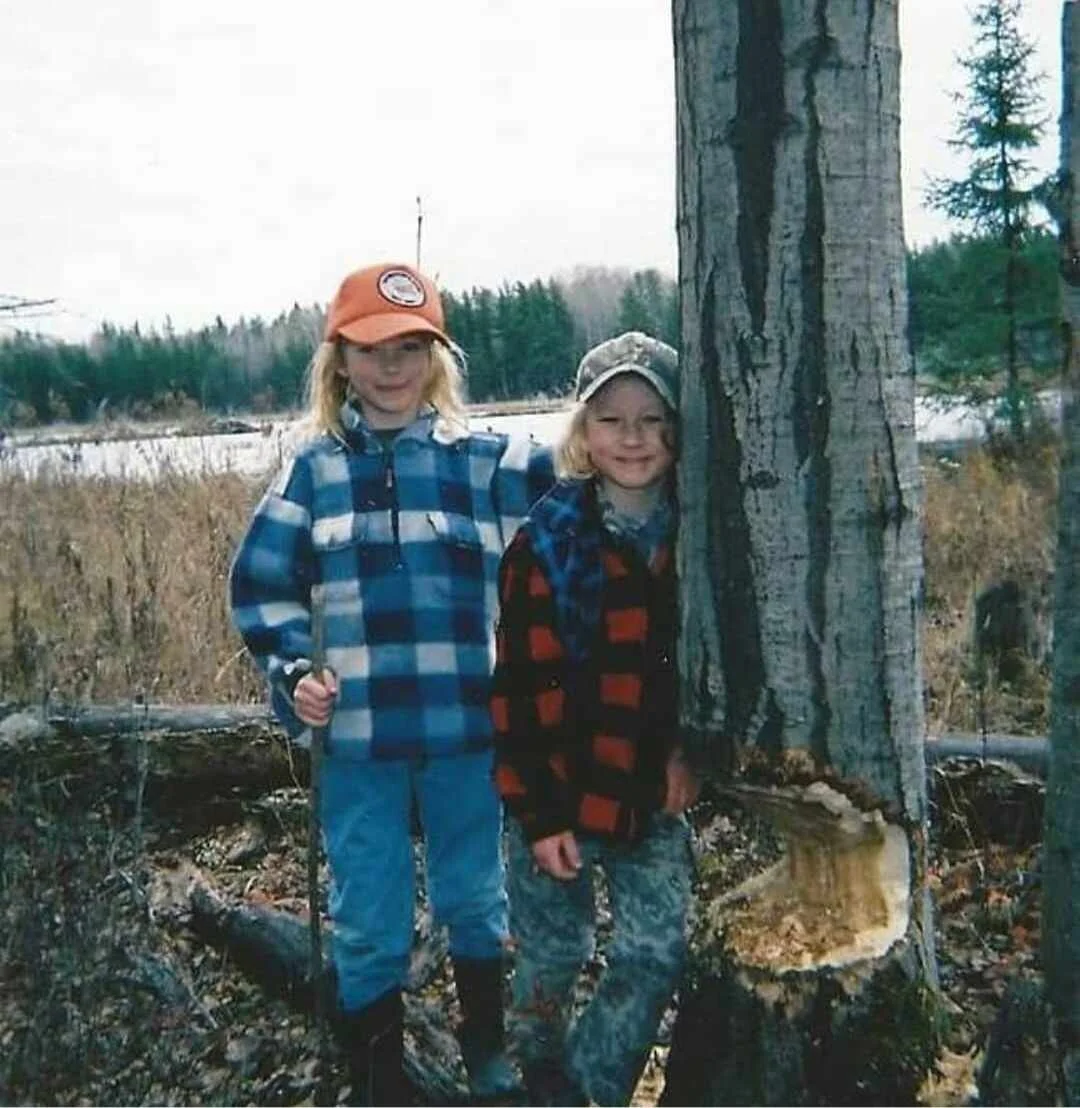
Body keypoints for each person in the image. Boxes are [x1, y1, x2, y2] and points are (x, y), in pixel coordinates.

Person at [229, 262, 554, 1105]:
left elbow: (591, 469)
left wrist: (638, 419)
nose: (391, 366)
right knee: (368, 916)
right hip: (357, 741)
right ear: (339, 360)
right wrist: (294, 674)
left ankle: (486, 1045)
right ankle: (379, 1076)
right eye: (372, 349)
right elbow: (260, 588)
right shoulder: (312, 472)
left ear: (436, 358)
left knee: (474, 896)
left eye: (411, 347)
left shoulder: (486, 463)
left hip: (463, 731)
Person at [491, 331, 700, 1106]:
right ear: (583, 431)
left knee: (655, 951)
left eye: (652, 419)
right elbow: (517, 691)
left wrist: (691, 753)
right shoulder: (545, 543)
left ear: (678, 429)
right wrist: (540, 816)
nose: (633, 438)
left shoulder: (701, 539)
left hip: (649, 793)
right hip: (556, 789)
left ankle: (587, 1091)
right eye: (611, 419)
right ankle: (536, 1071)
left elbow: (710, 674)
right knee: (553, 953)